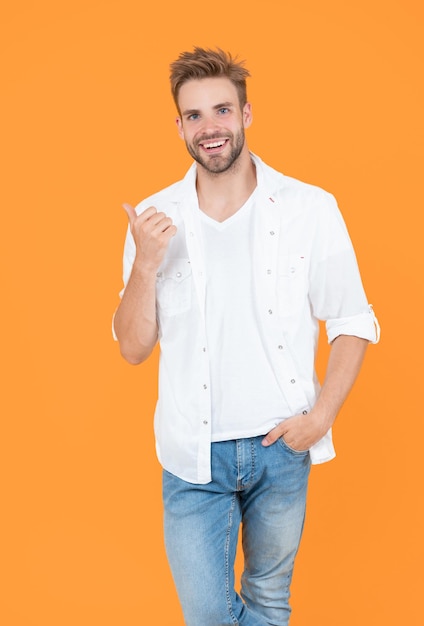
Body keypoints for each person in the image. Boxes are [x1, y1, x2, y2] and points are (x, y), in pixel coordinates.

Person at [113, 47, 380, 626]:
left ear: (246, 114)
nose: (210, 128)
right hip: (192, 455)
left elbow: (353, 320)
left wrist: (320, 419)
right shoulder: (155, 219)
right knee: (210, 615)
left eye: (222, 111)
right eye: (194, 116)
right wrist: (145, 264)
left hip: (281, 446)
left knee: (268, 602)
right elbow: (132, 348)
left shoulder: (310, 208)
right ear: (179, 126)